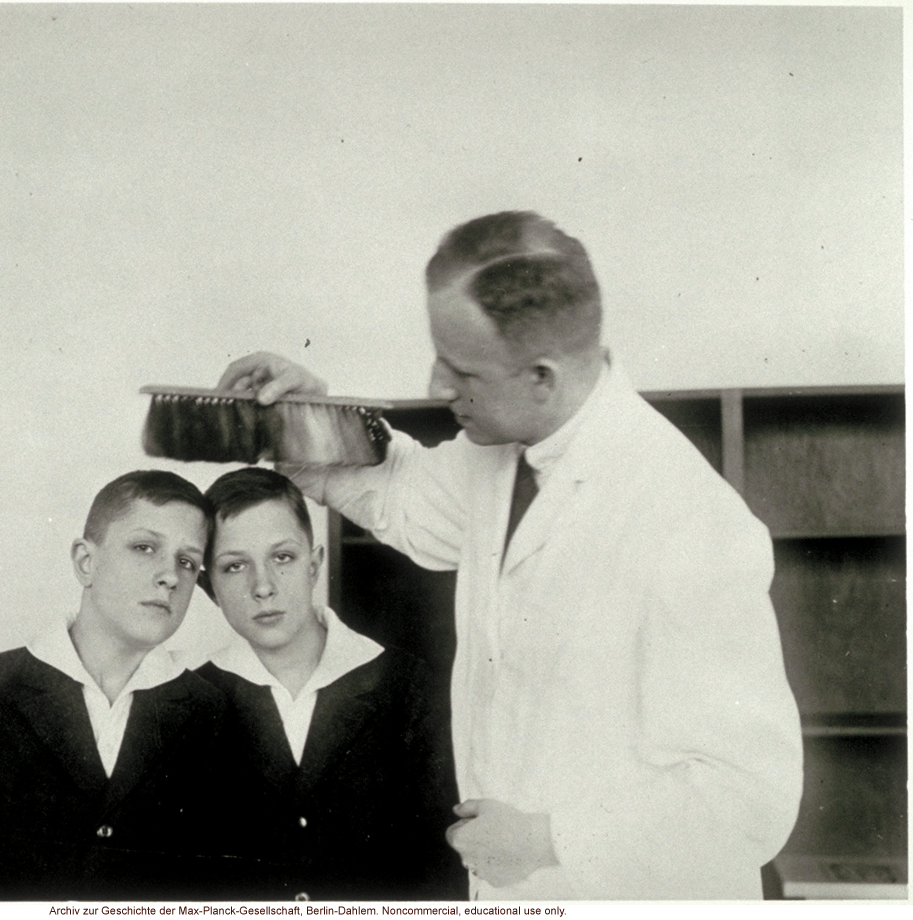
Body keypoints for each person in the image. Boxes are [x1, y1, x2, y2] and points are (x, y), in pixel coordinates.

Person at [216, 212, 804, 900]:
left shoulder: (685, 523)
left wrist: (547, 840)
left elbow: (748, 797)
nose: (437, 385)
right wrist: (310, 421)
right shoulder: (501, 456)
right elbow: (404, 498)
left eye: (461, 369)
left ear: (542, 378)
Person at [0, 470, 235, 900]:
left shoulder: (214, 714)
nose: (170, 576)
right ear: (86, 562)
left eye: (187, 562)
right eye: (144, 547)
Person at [195, 466, 467, 900]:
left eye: (282, 557)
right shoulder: (190, 702)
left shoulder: (405, 685)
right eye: (234, 566)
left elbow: (443, 868)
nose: (263, 586)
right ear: (209, 585)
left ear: (315, 564)